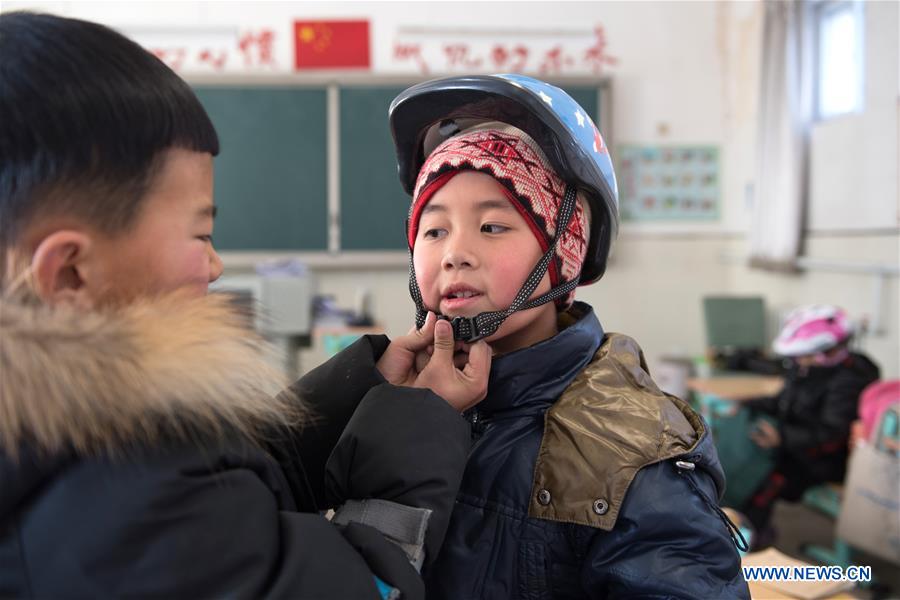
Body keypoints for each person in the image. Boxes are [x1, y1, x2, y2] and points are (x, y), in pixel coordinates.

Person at [0, 12, 492, 599]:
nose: (215, 266)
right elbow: (367, 585)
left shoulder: (76, 430)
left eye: (493, 226)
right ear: (71, 273)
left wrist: (355, 392)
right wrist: (417, 429)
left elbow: (233, 476)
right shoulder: (133, 509)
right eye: (201, 236)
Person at [382, 74, 749, 598]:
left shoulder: (634, 454)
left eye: (492, 227)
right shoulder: (392, 401)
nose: (453, 253)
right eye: (434, 229)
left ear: (565, 251)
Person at [741, 305, 880, 538]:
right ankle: (747, 531)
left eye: (803, 356)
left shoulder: (847, 382)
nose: (799, 361)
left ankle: (748, 540)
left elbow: (834, 434)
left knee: (761, 480)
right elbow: (784, 401)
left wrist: (782, 437)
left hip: (824, 460)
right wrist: (747, 402)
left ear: (829, 351)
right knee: (744, 464)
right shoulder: (806, 369)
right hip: (798, 448)